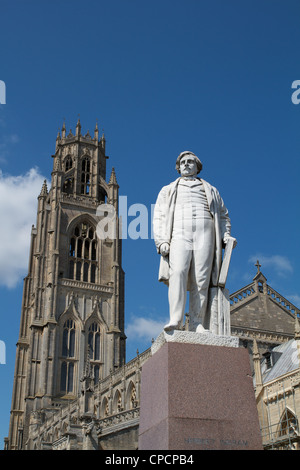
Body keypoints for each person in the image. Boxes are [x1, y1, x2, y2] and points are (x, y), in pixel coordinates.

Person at [153, 151, 236, 332]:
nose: (186, 164)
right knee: (178, 272)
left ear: (198, 167)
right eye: (183, 162)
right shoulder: (168, 190)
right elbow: (158, 216)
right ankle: (176, 319)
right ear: (178, 167)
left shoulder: (211, 190)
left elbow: (223, 216)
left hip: (205, 232)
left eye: (190, 162)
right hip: (179, 232)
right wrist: (161, 241)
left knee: (202, 277)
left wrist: (225, 235)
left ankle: (198, 323)